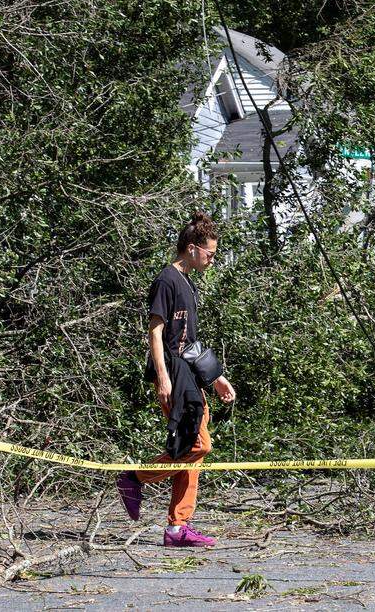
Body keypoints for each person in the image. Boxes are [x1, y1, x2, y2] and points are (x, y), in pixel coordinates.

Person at [116, 211, 236, 547]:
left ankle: (177, 528)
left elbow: (190, 341)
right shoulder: (166, 280)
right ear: (193, 248)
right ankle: (133, 478)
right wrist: (163, 379)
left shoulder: (188, 284)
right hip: (173, 375)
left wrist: (216, 378)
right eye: (210, 253)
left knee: (193, 450)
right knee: (198, 446)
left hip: (190, 375)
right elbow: (156, 334)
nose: (212, 259)